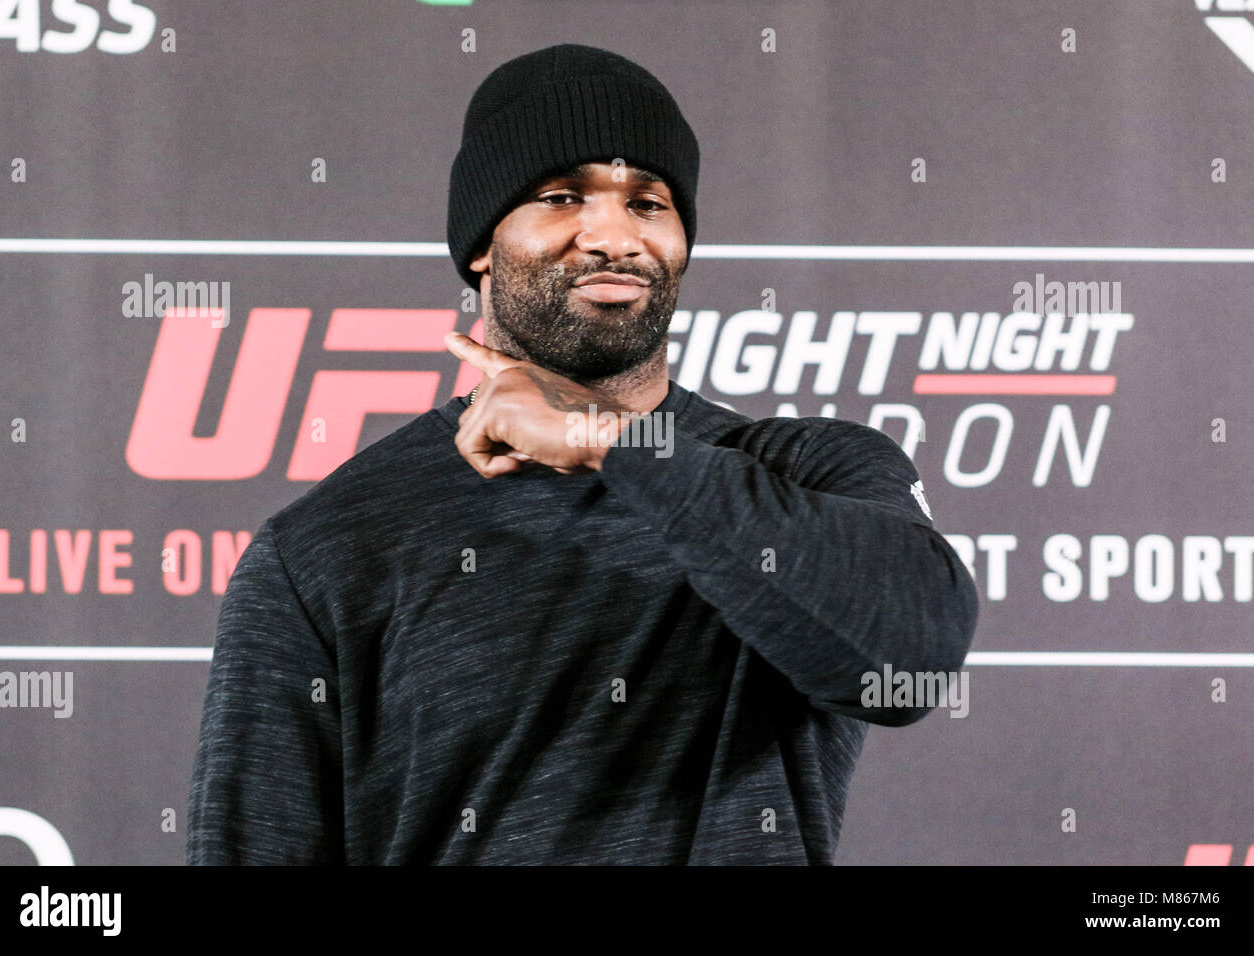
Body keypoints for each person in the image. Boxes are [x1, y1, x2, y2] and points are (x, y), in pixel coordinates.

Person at [186, 43, 978, 865]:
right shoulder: (328, 545)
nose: (612, 236)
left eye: (647, 202)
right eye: (562, 196)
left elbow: (913, 658)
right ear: (483, 245)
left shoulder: (812, 468)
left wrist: (615, 441)